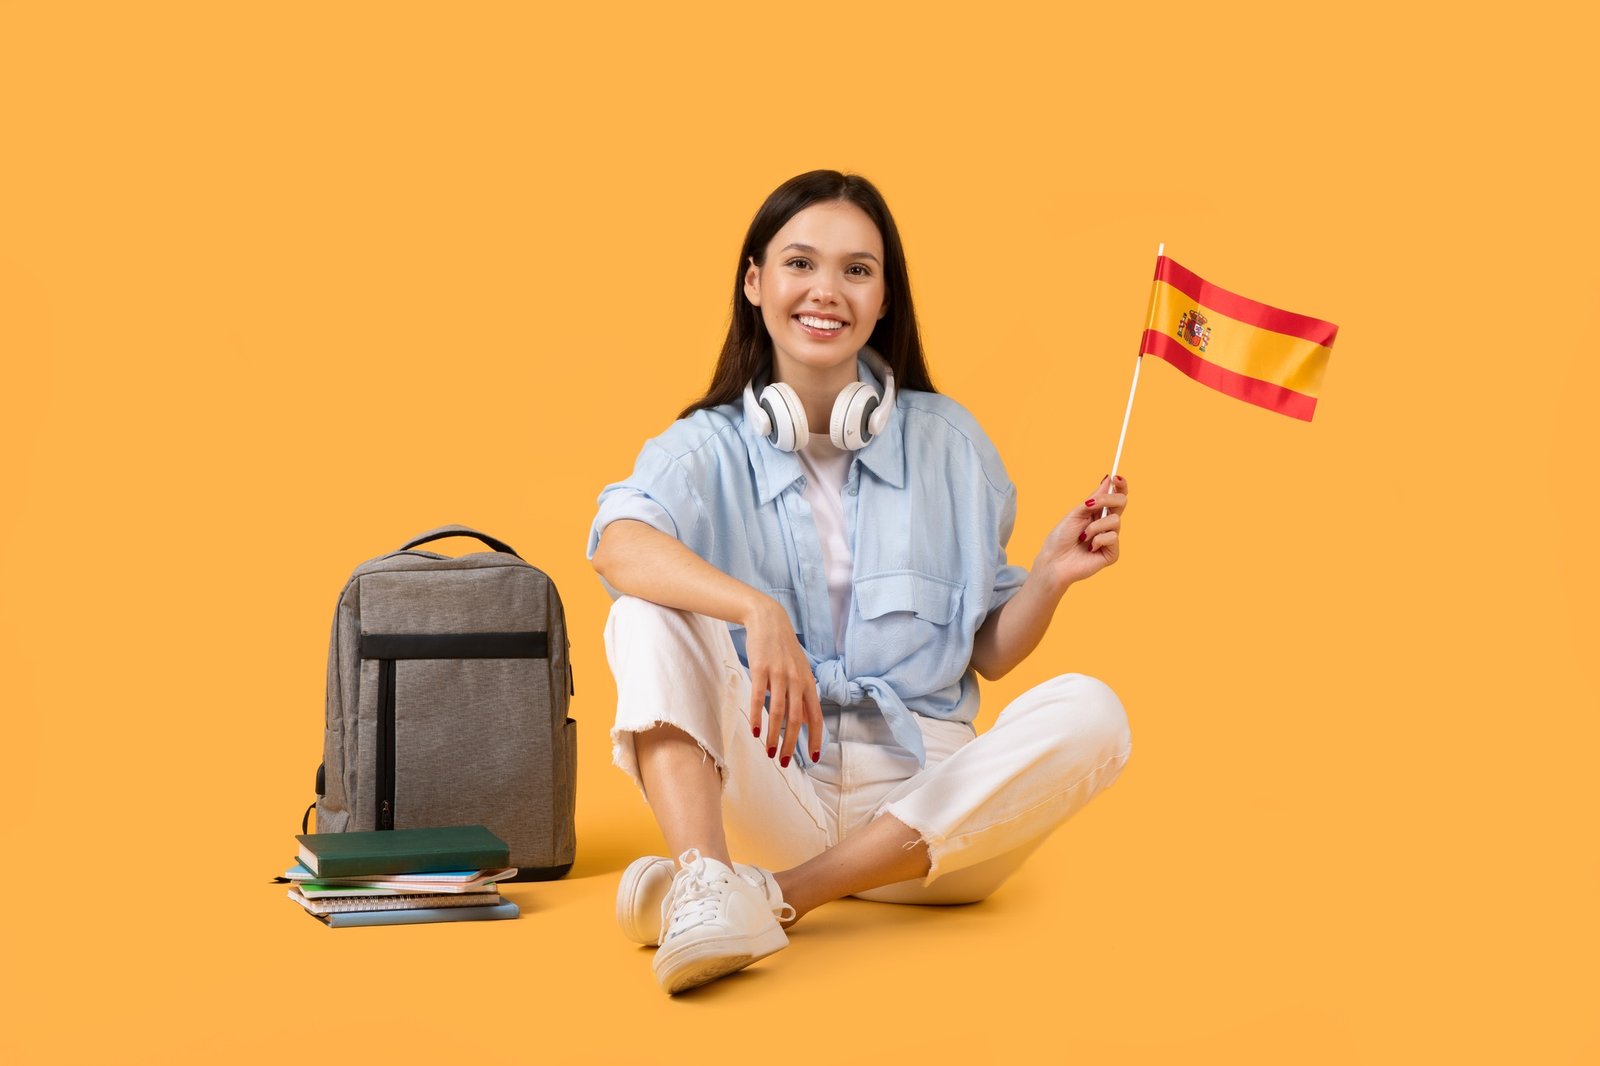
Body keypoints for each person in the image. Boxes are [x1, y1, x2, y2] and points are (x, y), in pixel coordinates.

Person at [587, 170, 1132, 994]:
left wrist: (1051, 574)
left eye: (857, 270)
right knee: (643, 615)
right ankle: (708, 875)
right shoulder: (705, 447)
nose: (826, 291)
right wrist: (754, 609)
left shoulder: (955, 446)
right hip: (778, 785)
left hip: (930, 827)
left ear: (883, 299)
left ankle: (760, 897)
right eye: (800, 263)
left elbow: (989, 654)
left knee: (1095, 711)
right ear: (755, 282)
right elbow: (617, 543)